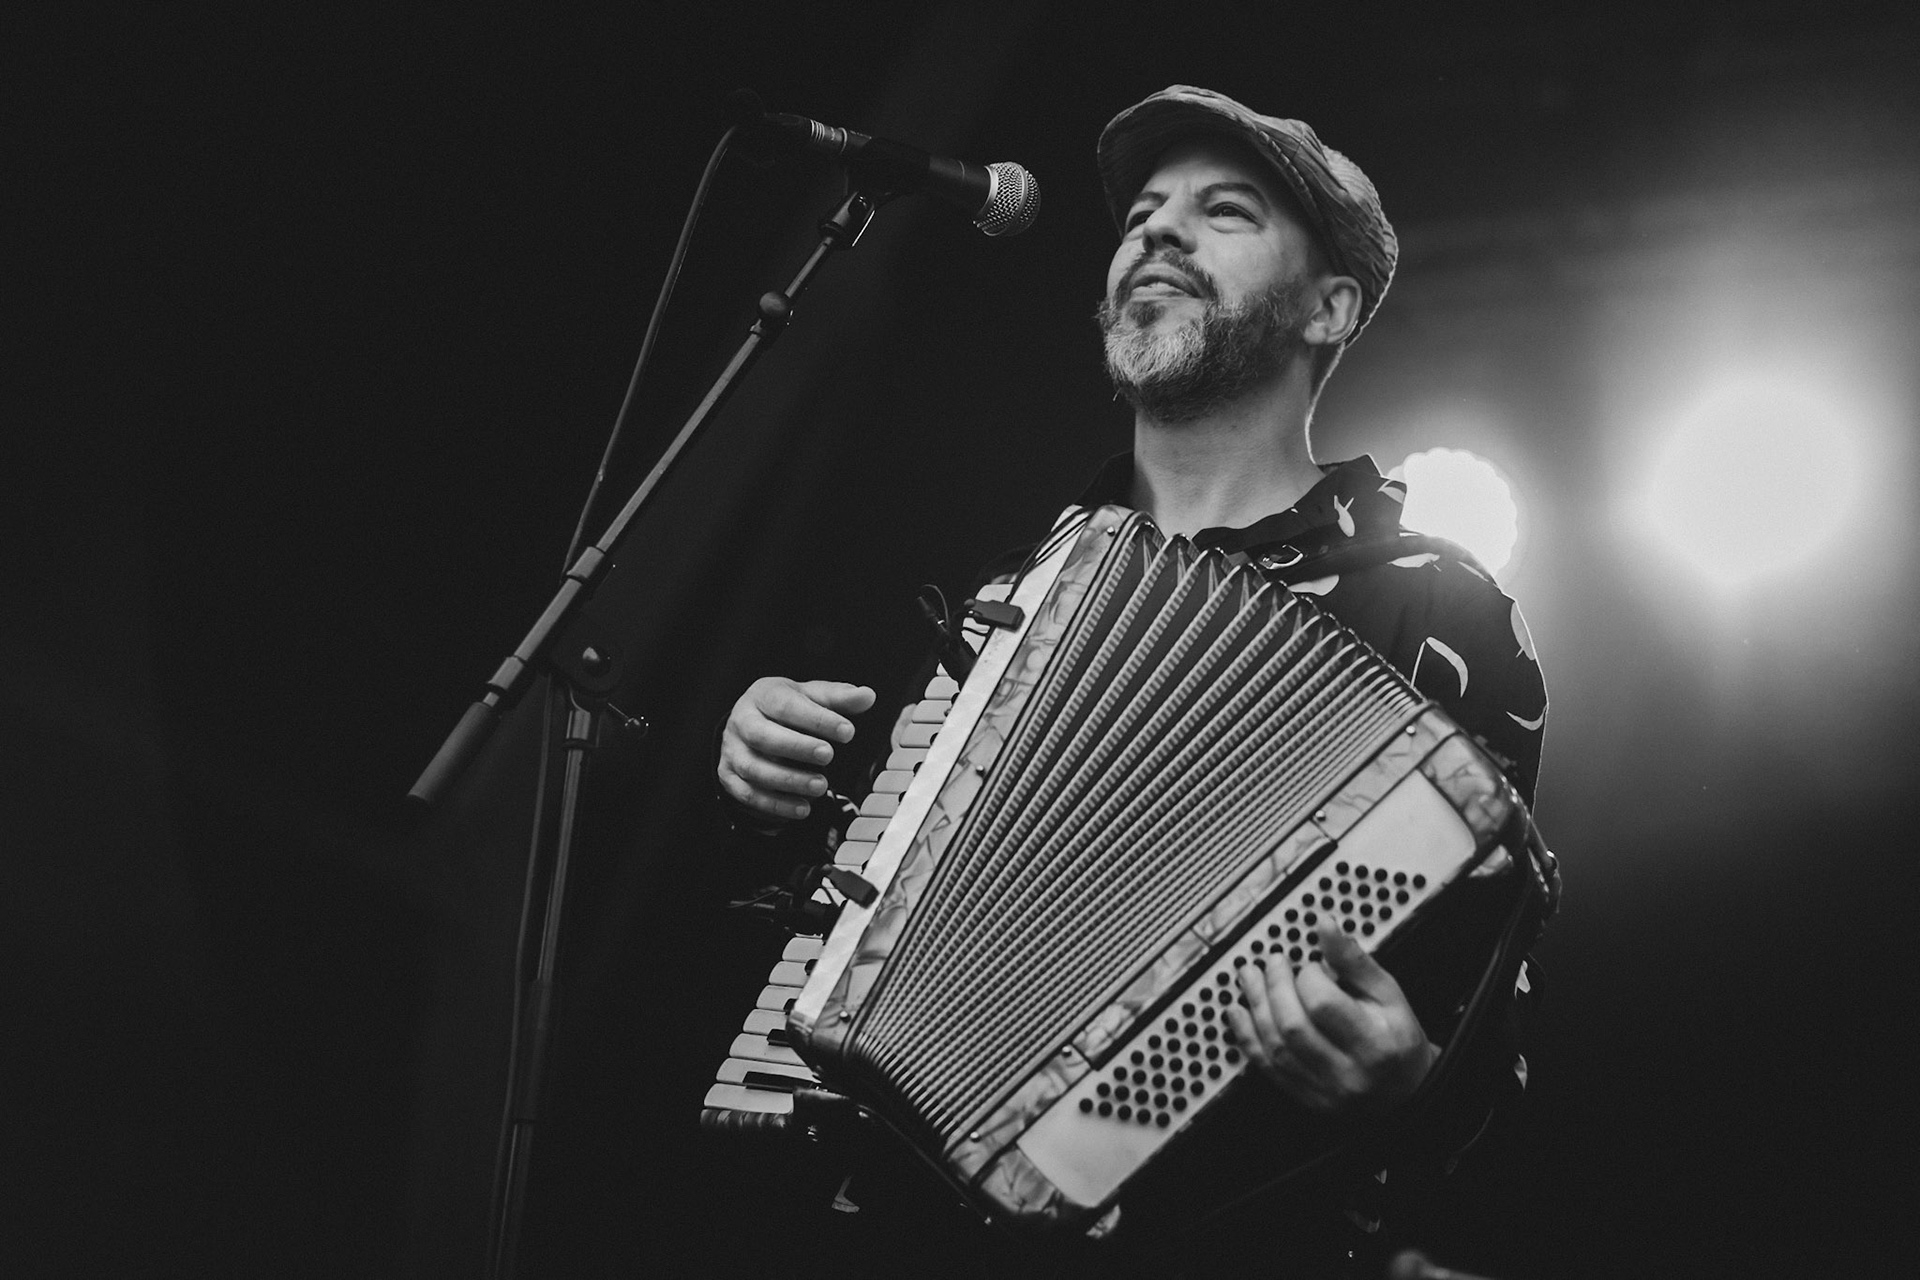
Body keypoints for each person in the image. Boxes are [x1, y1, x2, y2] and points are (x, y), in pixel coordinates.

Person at [714, 86, 1549, 1276]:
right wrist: (767, 784)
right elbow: (829, 927)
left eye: (1224, 212)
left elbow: (1498, 1029)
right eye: (1143, 215)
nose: (1158, 233)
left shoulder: (1435, 607)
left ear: (1332, 306)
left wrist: (1412, 1081)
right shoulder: (1020, 590)